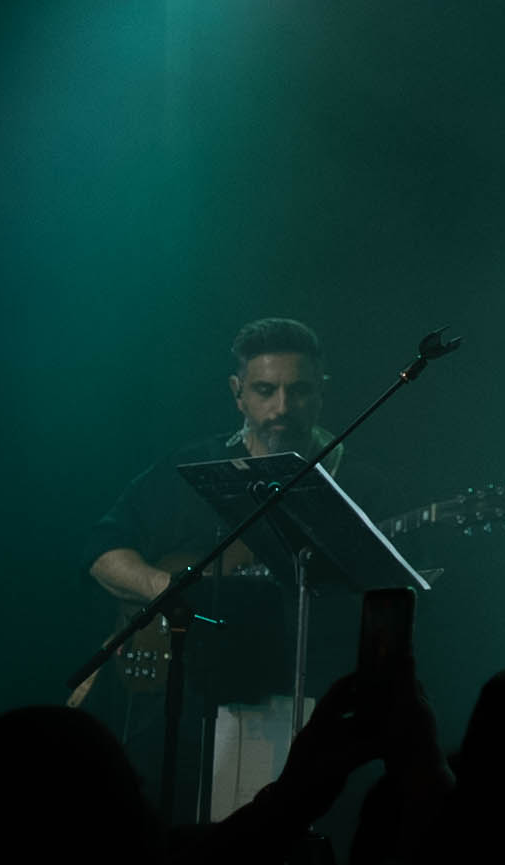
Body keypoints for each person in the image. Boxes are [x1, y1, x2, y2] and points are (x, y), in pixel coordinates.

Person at [80, 316, 344, 818]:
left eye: (299, 390)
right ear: (237, 392)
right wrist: (169, 589)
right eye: (265, 390)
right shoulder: (188, 466)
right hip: (167, 708)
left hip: (283, 706)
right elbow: (102, 550)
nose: (281, 408)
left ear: (321, 393)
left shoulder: (355, 483)